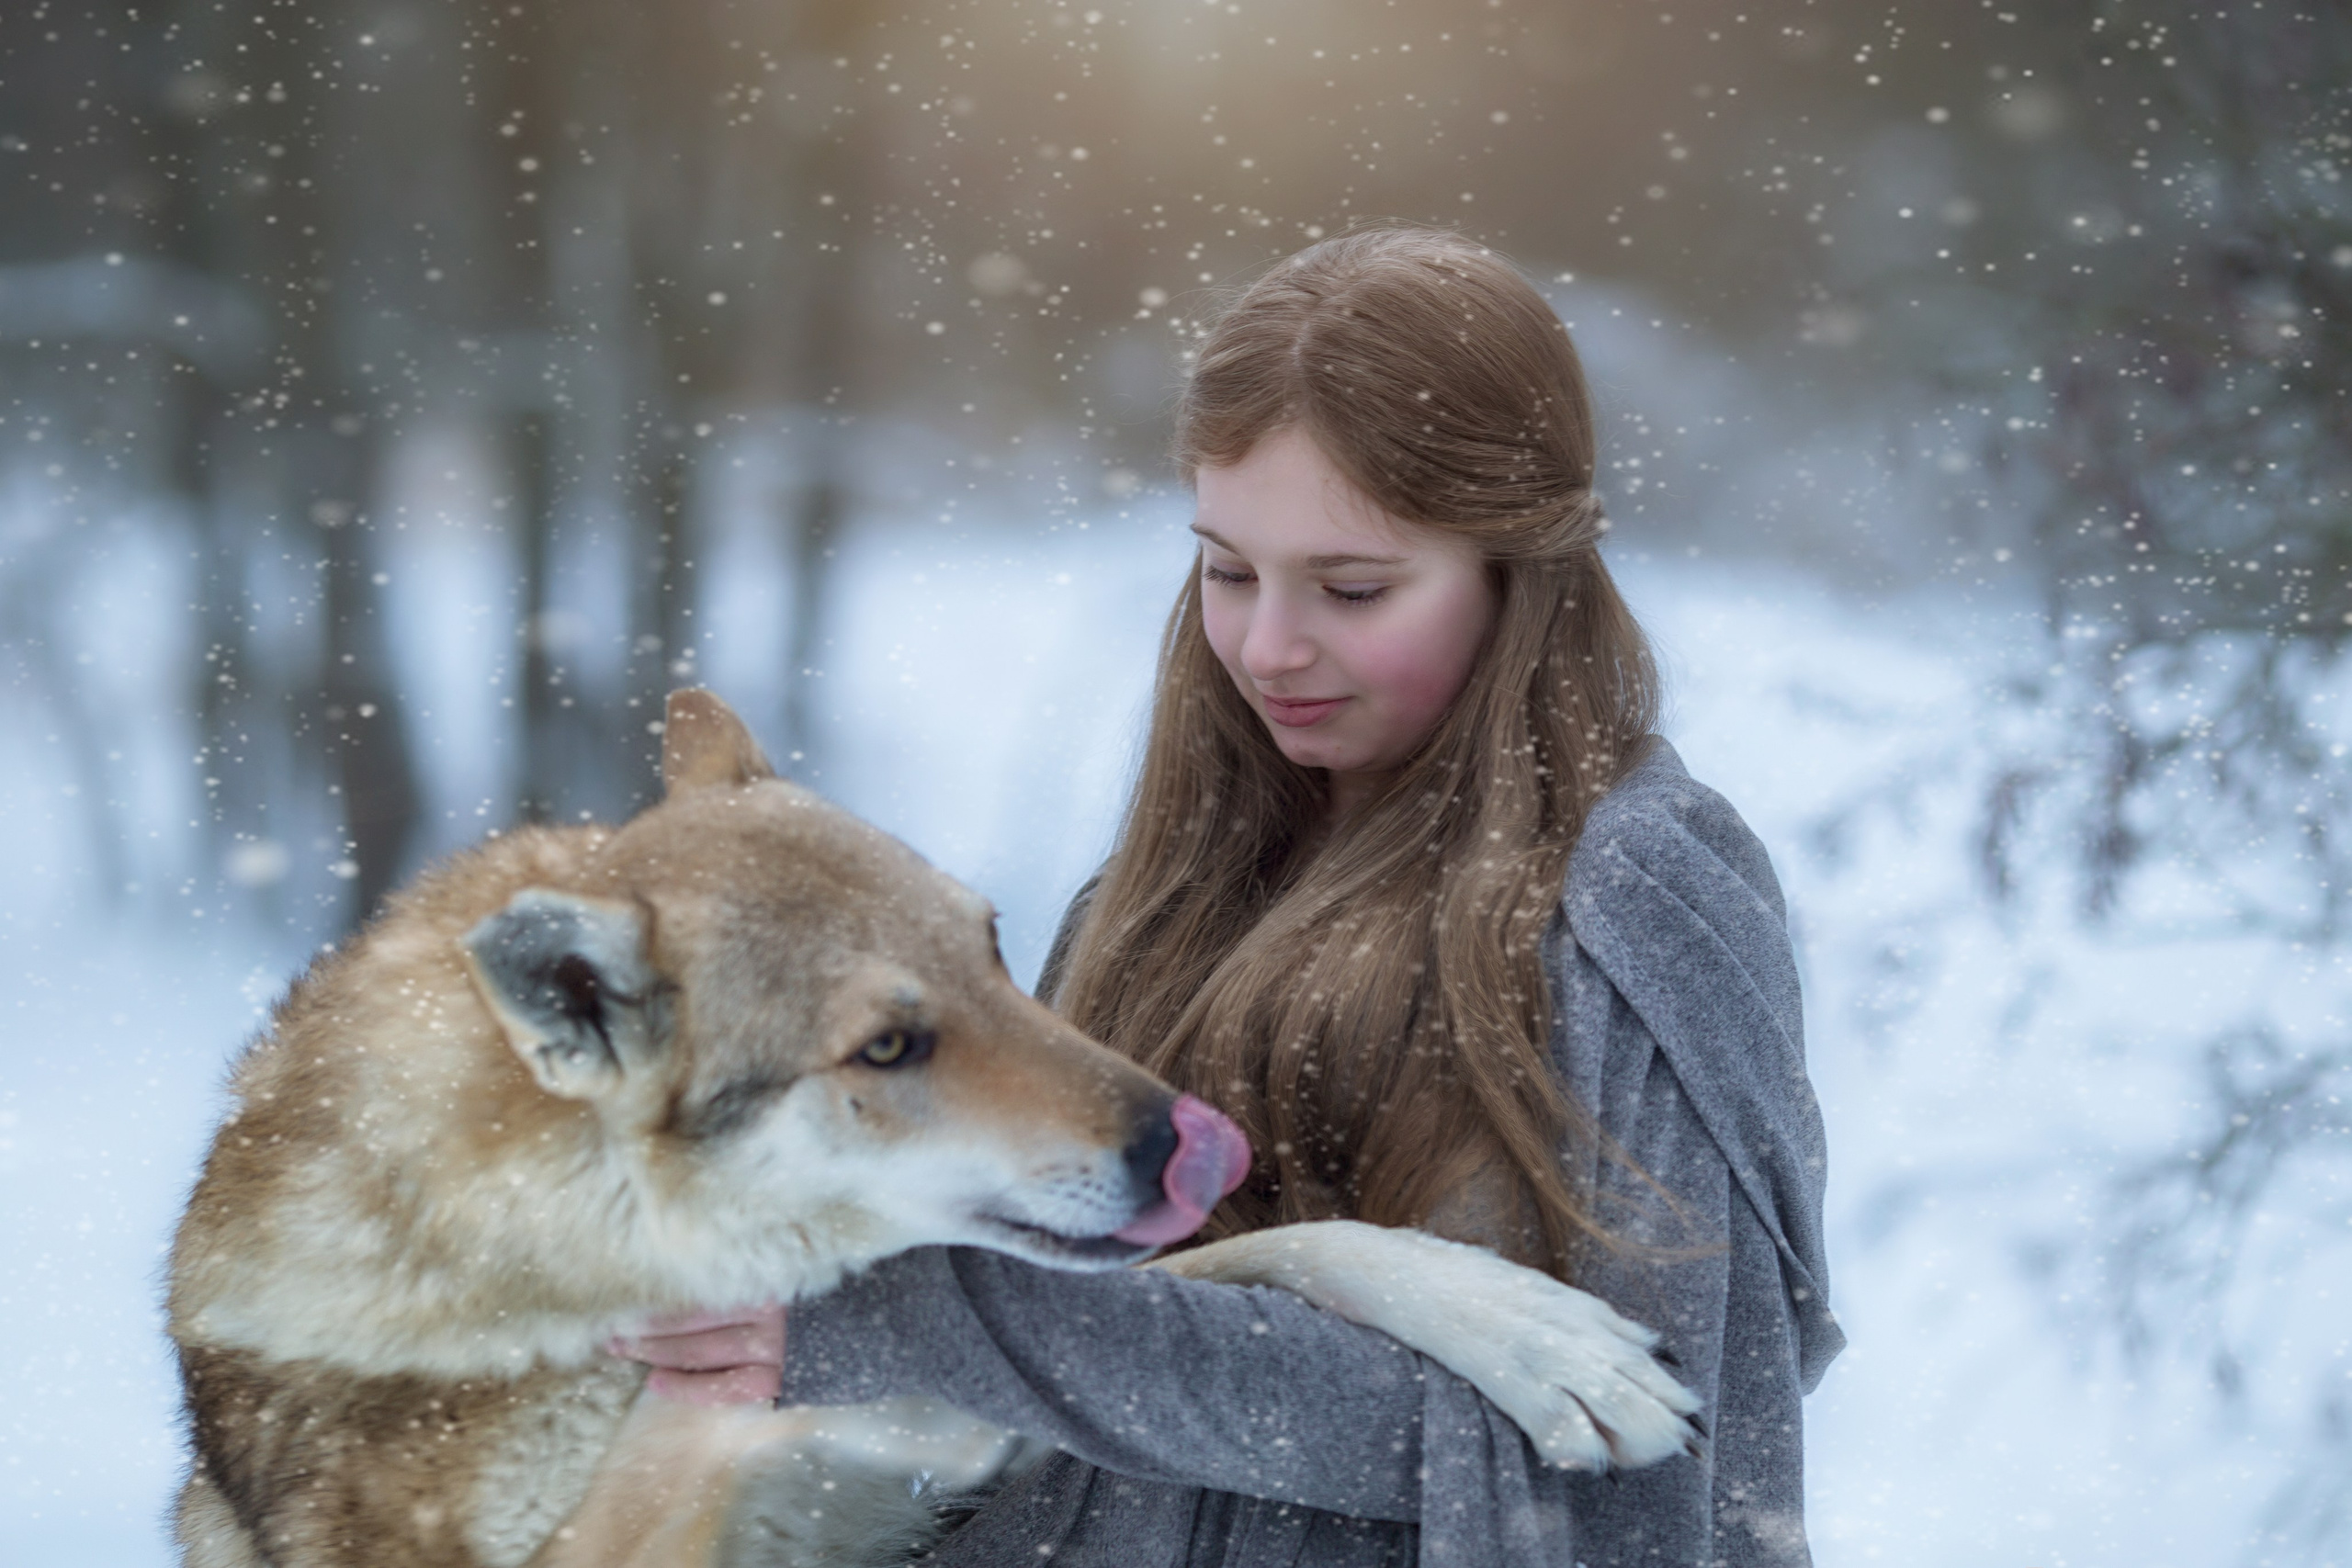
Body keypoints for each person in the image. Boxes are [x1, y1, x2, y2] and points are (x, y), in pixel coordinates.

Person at [620, 224, 1842, 1566]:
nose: (1268, 646)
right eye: (1228, 569)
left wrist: (932, 1319)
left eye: (1354, 585)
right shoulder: (1162, 889)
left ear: (1521, 572)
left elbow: (1647, 1463)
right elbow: (1044, 1377)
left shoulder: (1632, 892)